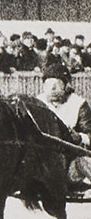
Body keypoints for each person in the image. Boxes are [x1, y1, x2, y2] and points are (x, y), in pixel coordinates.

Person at [39, 55, 91, 186]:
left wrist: (79, 137)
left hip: (69, 165)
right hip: (41, 164)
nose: (51, 91)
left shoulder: (78, 104)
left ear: (67, 86)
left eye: (56, 86)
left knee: (85, 160)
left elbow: (89, 134)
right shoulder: (38, 103)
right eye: (48, 86)